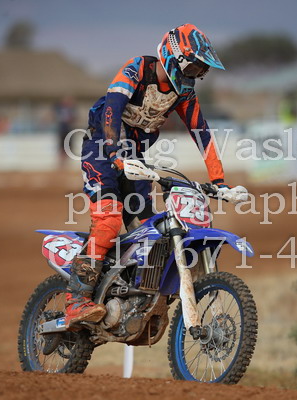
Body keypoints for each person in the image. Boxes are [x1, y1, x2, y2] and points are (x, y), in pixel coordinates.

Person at [64, 24, 231, 327]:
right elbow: (112, 108)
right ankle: (76, 298)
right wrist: (113, 152)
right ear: (174, 57)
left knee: (150, 231)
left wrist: (218, 181)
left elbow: (201, 133)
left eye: (200, 71)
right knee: (109, 220)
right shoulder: (137, 69)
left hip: (133, 158)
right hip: (101, 150)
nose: (194, 75)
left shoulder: (184, 93)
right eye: (193, 67)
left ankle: (136, 295)